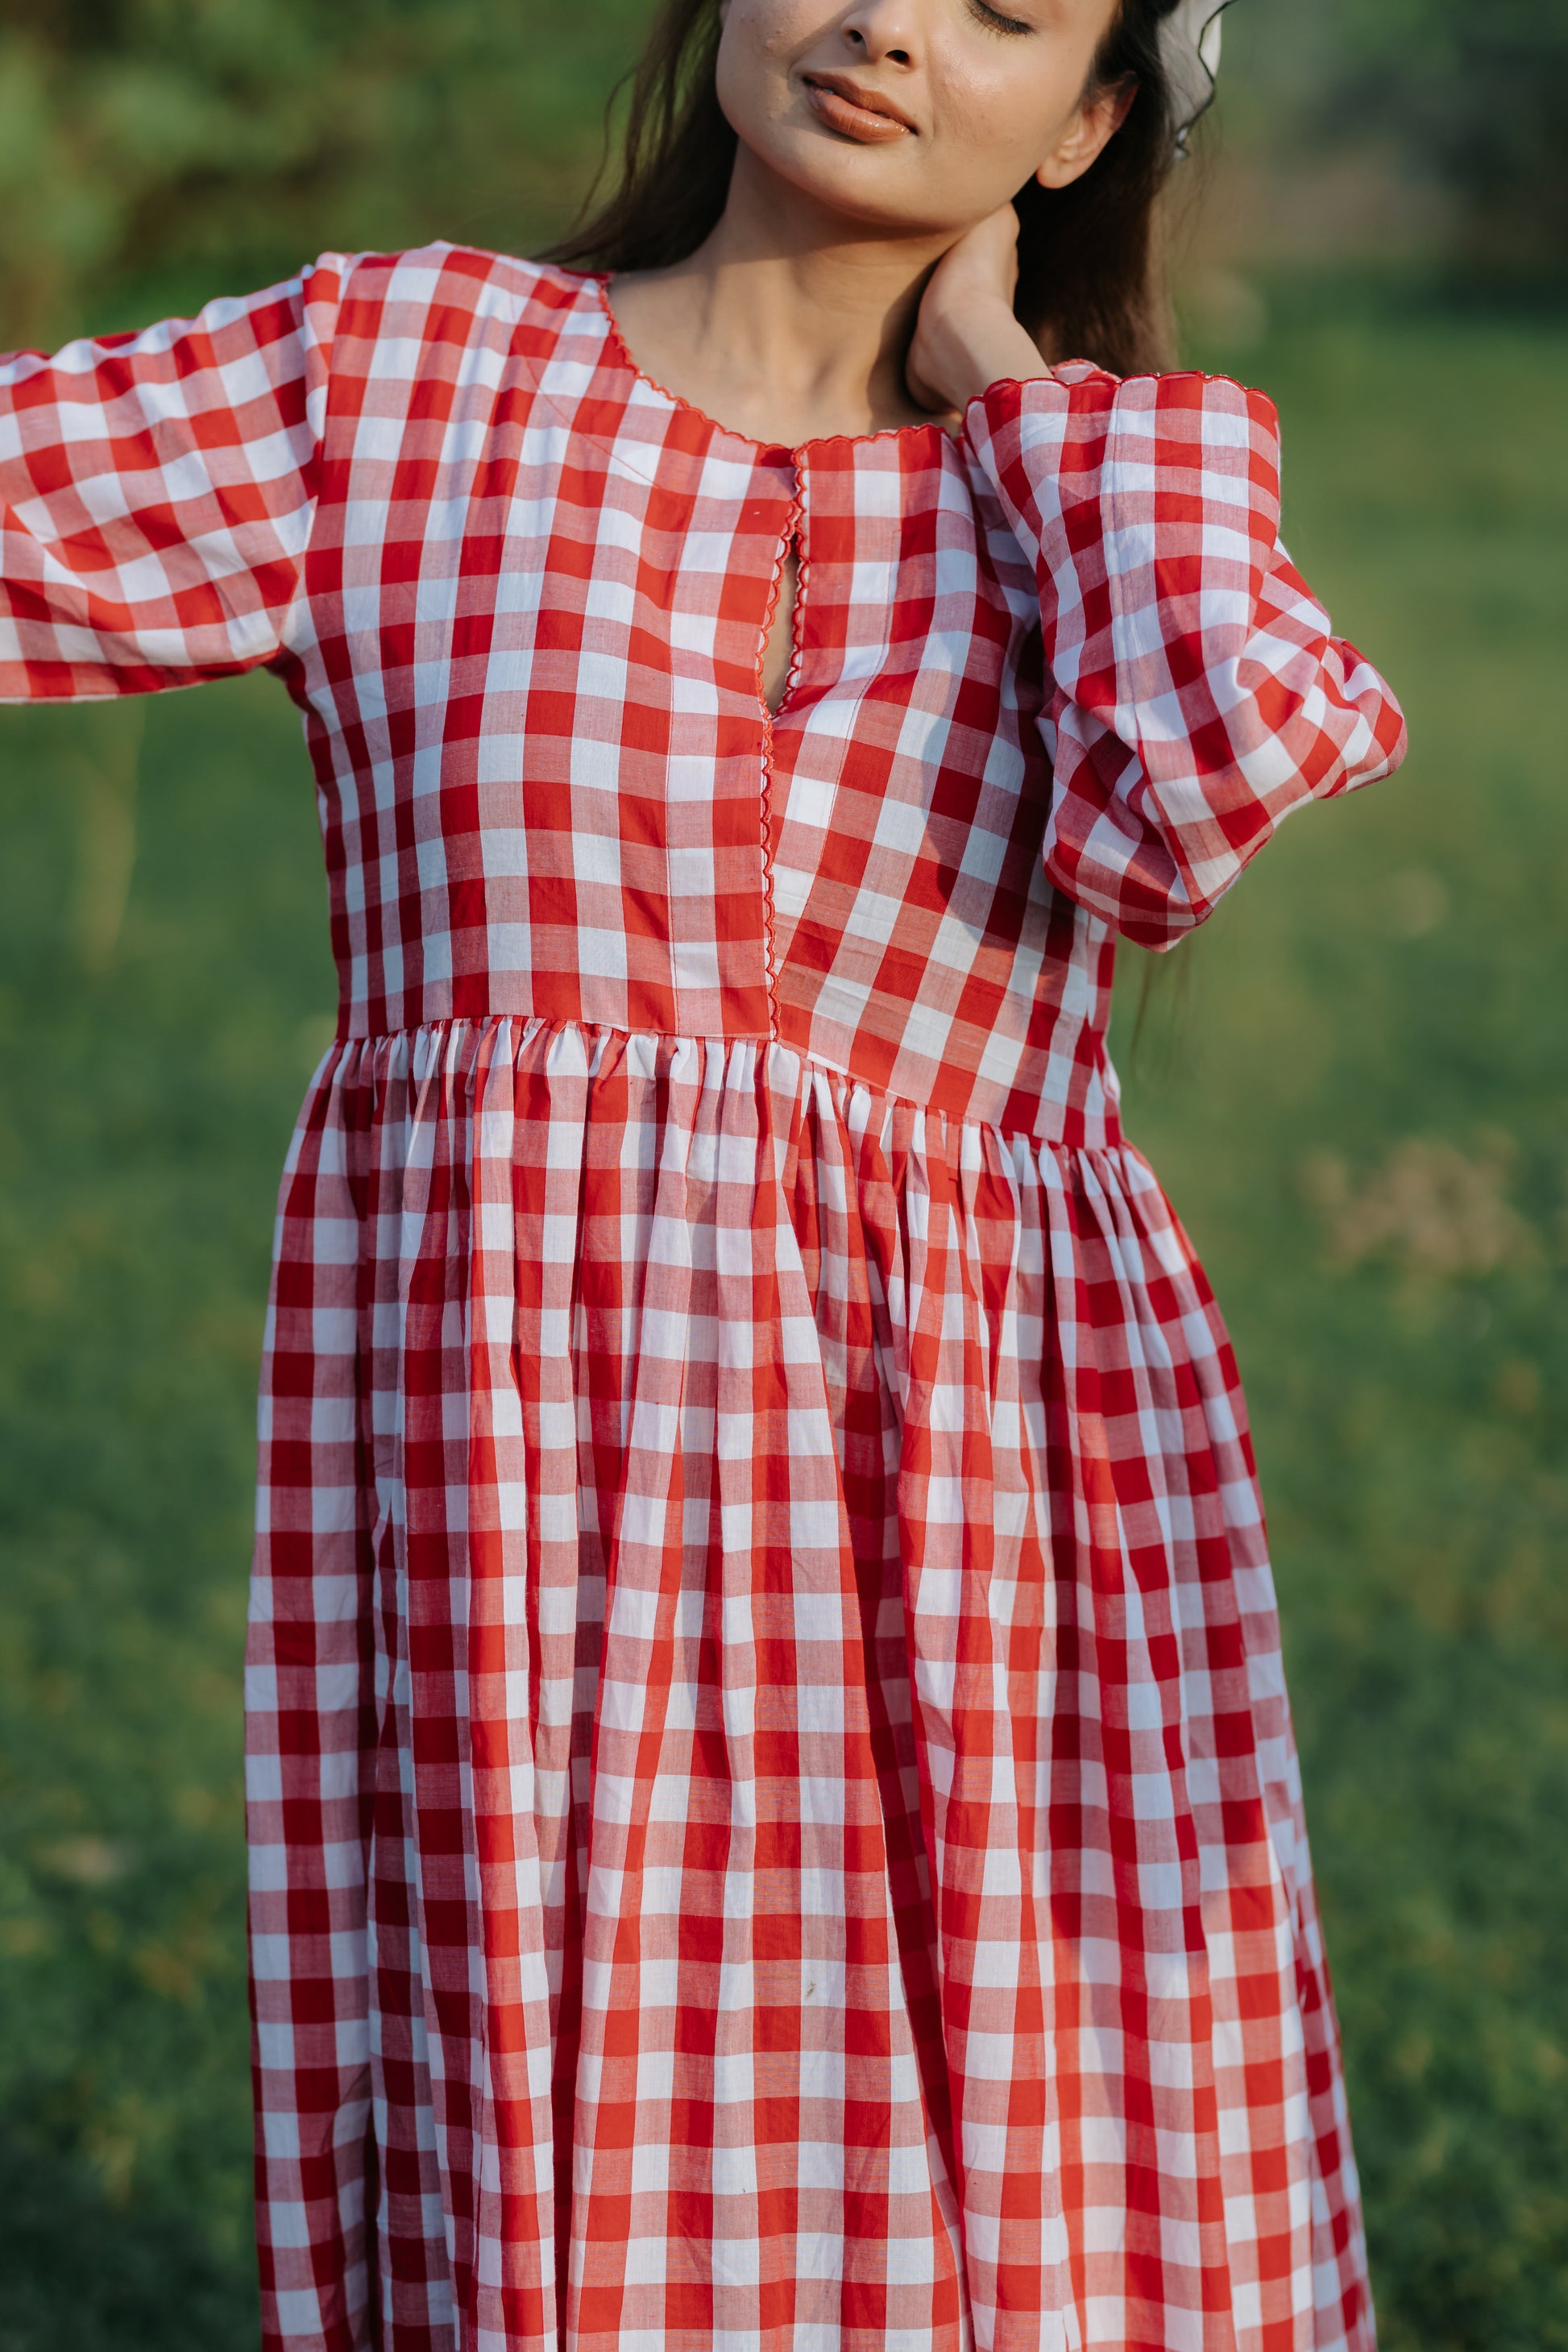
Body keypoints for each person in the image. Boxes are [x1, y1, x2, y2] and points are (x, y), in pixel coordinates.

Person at [0, 0, 1406, 2344]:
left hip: (976, 1499)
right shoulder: (410, 375)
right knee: (563, 2156)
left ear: (1085, 125)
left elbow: (1208, 787)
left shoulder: (1111, 488)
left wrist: (1023, 399)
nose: (879, 25)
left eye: (1001, 11)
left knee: (1012, 2162)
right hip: (526, 1483)